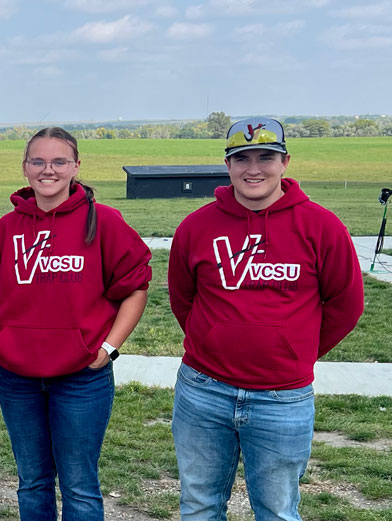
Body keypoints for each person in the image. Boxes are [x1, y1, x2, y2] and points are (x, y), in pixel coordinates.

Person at [168, 117, 365, 521]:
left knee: (276, 510)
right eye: (241, 158)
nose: (253, 168)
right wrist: (214, 338)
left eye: (265, 157)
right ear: (228, 166)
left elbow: (346, 305)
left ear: (285, 161)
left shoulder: (322, 227)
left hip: (283, 398)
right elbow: (183, 298)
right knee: (199, 505)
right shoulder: (197, 226)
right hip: (203, 389)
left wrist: (294, 348)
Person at [0, 127, 151, 520]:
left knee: (79, 485)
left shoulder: (104, 222)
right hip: (18, 377)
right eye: (37, 161)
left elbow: (136, 289)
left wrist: (108, 348)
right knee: (33, 481)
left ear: (76, 166)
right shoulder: (8, 227)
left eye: (58, 161)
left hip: (81, 377)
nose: (48, 170)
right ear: (25, 167)